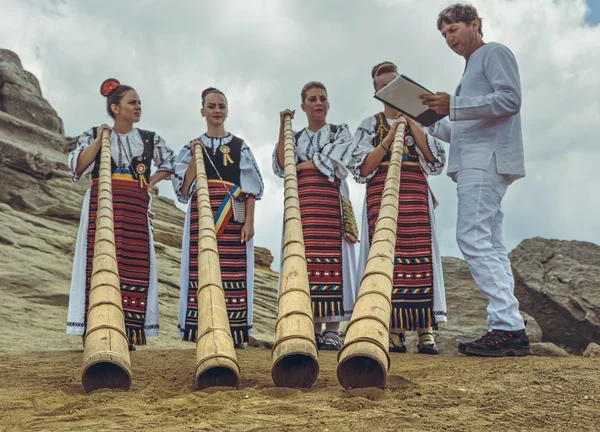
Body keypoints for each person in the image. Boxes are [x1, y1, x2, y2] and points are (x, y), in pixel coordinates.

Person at [421, 3, 531, 357]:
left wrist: (451, 106)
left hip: (486, 161)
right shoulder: (469, 71)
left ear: (475, 24)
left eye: (453, 29)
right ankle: (506, 324)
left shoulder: (493, 52)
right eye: (443, 35)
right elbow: (466, 128)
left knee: (472, 237)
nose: (448, 38)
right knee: (491, 243)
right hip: (478, 159)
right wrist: (430, 120)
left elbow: (510, 99)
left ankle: (508, 327)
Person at [66, 78, 176, 350]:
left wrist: (149, 183)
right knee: (98, 258)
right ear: (115, 108)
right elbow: (77, 167)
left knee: (133, 262)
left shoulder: (150, 139)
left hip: (135, 206)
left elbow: (172, 164)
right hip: (101, 203)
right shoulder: (94, 134)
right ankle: (95, 327)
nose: (138, 106)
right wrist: (102, 138)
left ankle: (127, 330)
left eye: (139, 102)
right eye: (132, 102)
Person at [350, 61, 447, 355]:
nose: (389, 92)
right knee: (384, 256)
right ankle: (392, 329)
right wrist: (389, 139)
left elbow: (436, 162)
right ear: (376, 92)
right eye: (383, 87)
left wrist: (413, 125)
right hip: (380, 194)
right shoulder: (369, 124)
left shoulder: (424, 123)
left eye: (395, 85)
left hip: (415, 194)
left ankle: (425, 330)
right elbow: (361, 168)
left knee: (421, 256)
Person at [172, 87, 264, 349]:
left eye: (221, 106)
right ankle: (203, 329)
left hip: (232, 217)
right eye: (211, 106)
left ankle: (234, 334)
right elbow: (184, 188)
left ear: (227, 110)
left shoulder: (239, 146)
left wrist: (249, 221)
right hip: (201, 215)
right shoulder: (191, 146)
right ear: (202, 111)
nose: (217, 111)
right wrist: (195, 156)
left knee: (233, 271)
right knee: (201, 268)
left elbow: (251, 188)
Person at [273, 81, 357, 350]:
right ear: (303, 106)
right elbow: (282, 166)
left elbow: (337, 160)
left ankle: (333, 329)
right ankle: (312, 327)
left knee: (337, 262)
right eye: (312, 99)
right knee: (305, 263)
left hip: (331, 201)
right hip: (303, 205)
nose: (318, 103)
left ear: (328, 104)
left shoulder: (339, 131)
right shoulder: (294, 137)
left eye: (322, 98)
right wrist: (282, 126)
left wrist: (302, 166)